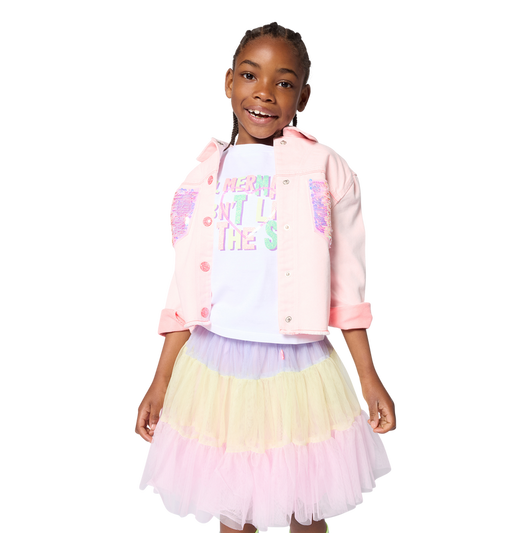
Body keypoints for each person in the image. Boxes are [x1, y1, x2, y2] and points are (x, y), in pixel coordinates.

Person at [133, 18, 398, 533]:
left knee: (306, 509)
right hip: (215, 371)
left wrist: (368, 376)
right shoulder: (200, 176)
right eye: (251, 75)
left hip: (299, 369)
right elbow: (183, 288)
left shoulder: (327, 168)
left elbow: (348, 282)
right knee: (233, 512)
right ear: (227, 81)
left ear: (305, 96)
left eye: (284, 82)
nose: (264, 93)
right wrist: (159, 380)